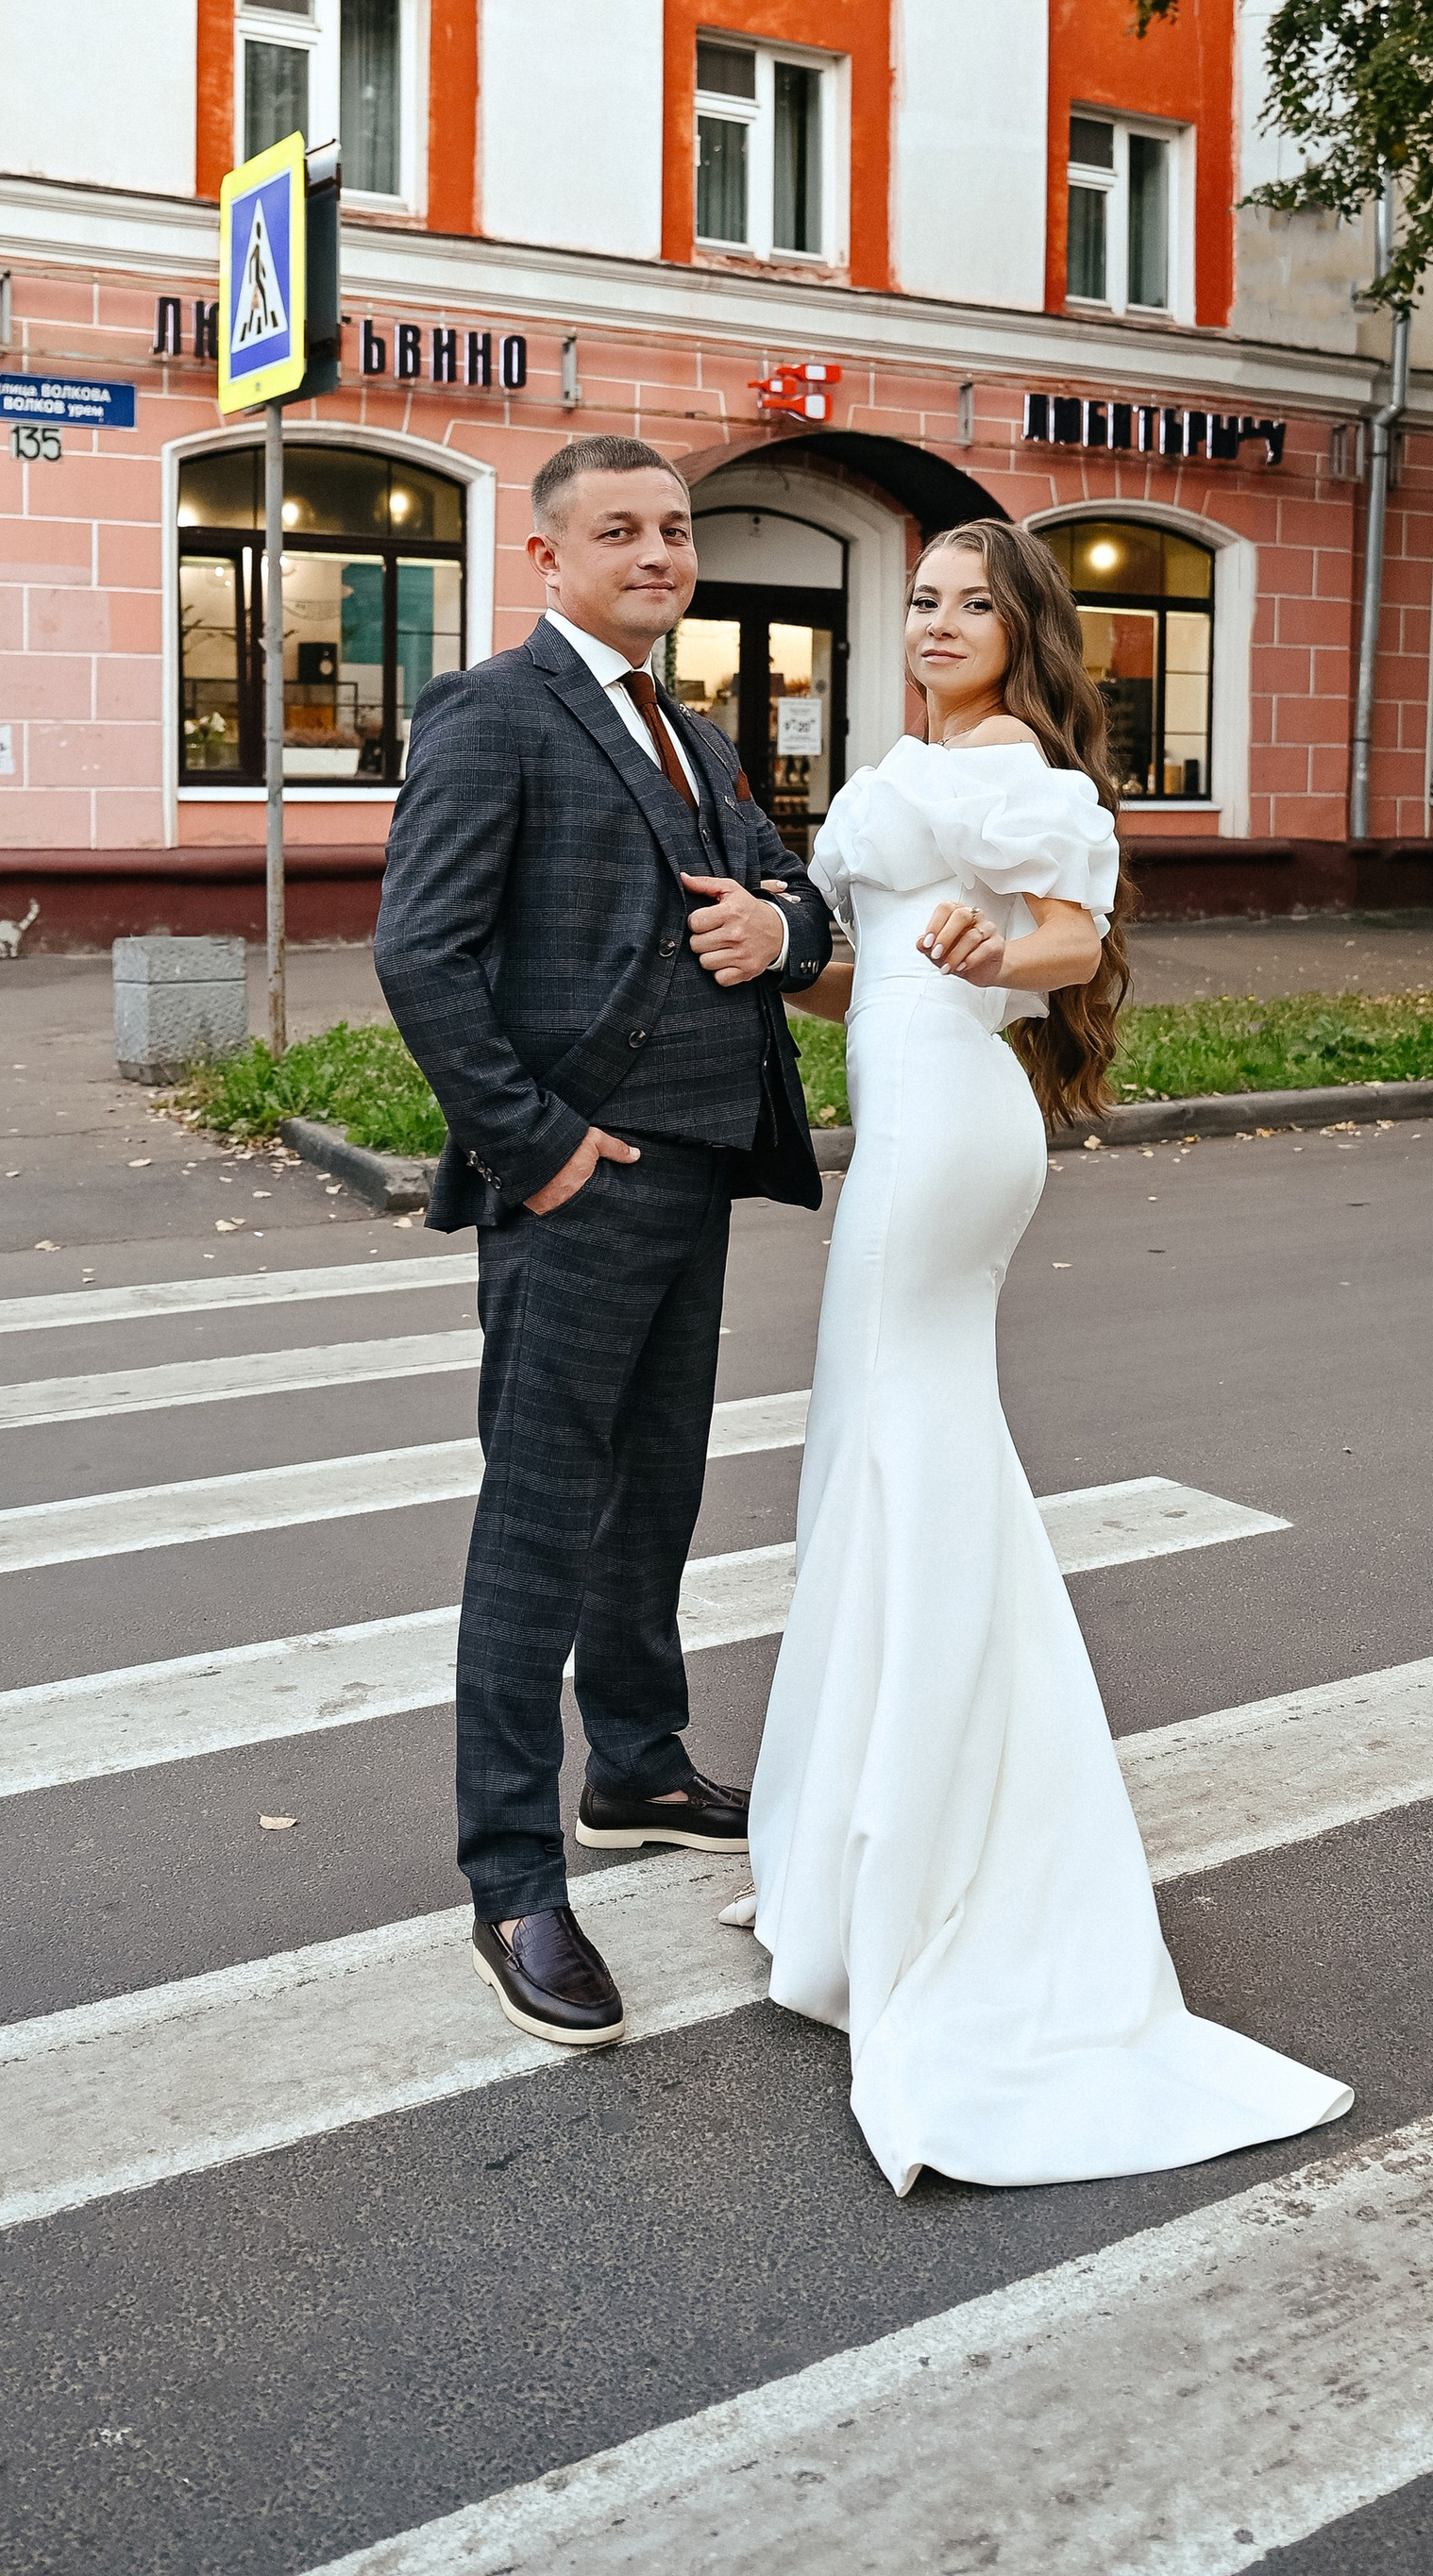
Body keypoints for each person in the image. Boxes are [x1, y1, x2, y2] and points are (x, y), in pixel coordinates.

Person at [735, 520, 1353, 2193]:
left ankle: (939, 1859)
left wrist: (1007, 957)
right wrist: (781, 967)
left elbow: (1067, 933)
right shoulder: (913, 763)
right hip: (910, 1101)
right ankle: (867, 1837)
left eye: (971, 604)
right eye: (922, 601)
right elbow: (873, 980)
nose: (938, 624)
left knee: (909, 1447)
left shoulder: (1018, 766)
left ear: (1023, 631)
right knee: (886, 1451)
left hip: (951, 1134)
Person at [374, 435, 835, 2053]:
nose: (660, 552)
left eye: (678, 528)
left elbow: (793, 901)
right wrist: (542, 1148)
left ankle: (635, 1763)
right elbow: (418, 956)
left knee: (660, 1489)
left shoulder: (692, 730)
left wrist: (783, 929)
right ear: (548, 555)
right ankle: (512, 1880)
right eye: (622, 530)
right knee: (541, 1523)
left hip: (696, 1174)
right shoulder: (495, 711)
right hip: (580, 1185)